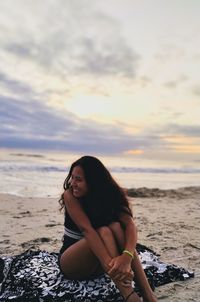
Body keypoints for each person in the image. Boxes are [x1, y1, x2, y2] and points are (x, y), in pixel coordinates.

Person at [58, 155, 157, 302]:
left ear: (93, 182)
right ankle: (129, 295)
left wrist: (126, 257)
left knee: (117, 227)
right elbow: (88, 231)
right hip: (73, 263)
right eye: (72, 177)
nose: (73, 183)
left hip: (100, 266)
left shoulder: (111, 195)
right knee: (103, 231)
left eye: (79, 179)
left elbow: (130, 225)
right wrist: (115, 269)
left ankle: (148, 294)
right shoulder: (70, 195)